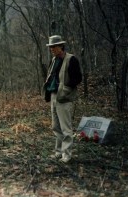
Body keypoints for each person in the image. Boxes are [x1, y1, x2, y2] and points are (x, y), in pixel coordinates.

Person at [43, 35, 82, 163]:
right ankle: (58, 152)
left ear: (61, 46)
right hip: (54, 95)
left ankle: (67, 154)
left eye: (54, 46)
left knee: (66, 128)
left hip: (64, 97)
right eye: (50, 47)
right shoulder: (54, 60)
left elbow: (77, 79)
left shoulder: (71, 59)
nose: (52, 49)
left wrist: (66, 90)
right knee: (56, 126)